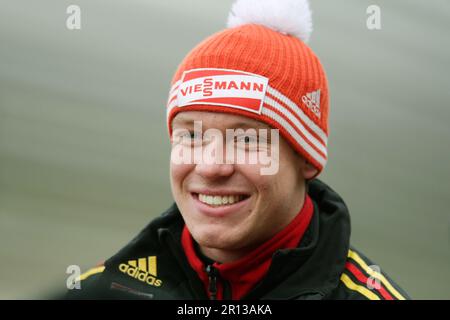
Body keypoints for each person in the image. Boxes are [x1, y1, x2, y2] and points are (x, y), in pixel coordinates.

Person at [67, 0, 409, 300]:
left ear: (307, 156)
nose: (211, 166)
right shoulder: (101, 289)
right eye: (191, 136)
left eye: (246, 140)